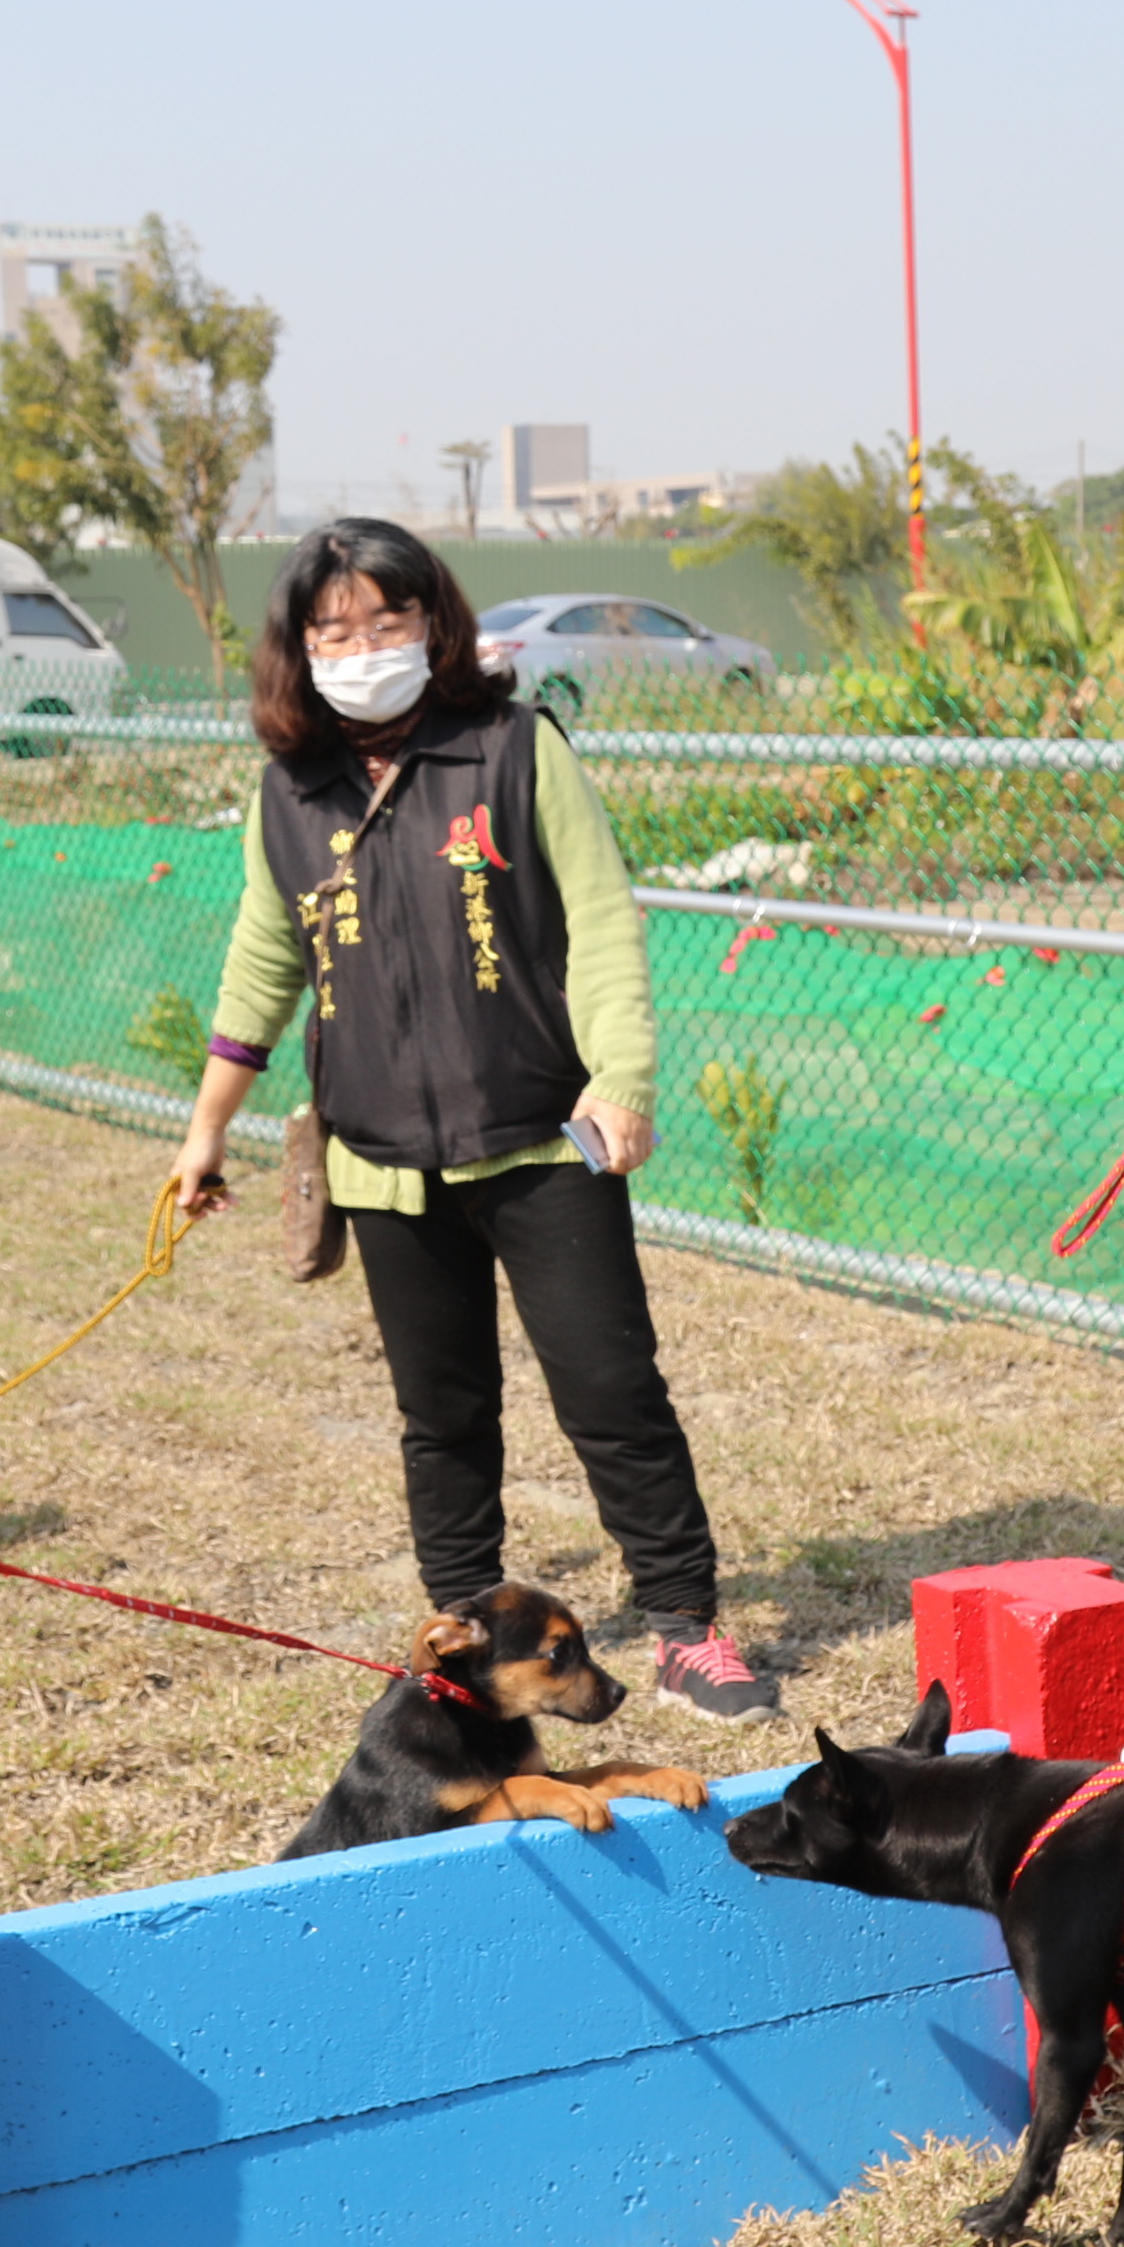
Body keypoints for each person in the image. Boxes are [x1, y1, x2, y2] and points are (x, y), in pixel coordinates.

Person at [164, 518, 775, 1719]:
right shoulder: (288, 795)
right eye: (335, 629)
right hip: (385, 1164)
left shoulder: (510, 748)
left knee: (609, 1387)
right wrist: (207, 1129)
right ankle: (458, 1635)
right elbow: (261, 964)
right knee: (441, 1415)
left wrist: (623, 1079)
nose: (365, 646)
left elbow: (601, 922)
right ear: (299, 650)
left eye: (389, 621)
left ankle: (684, 1621)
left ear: (435, 624)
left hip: (546, 1141)